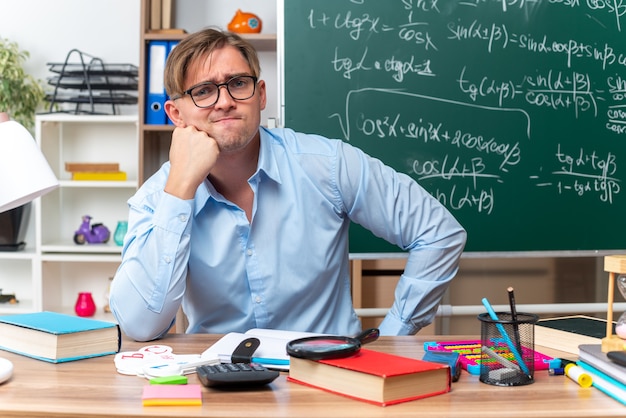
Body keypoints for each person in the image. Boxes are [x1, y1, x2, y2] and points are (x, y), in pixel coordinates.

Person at [109, 28, 466, 342]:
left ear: (260, 95)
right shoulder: (159, 199)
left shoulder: (327, 164)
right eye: (203, 91)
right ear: (175, 114)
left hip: (330, 376)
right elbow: (141, 325)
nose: (225, 101)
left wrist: (393, 336)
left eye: (238, 83)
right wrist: (181, 189)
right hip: (219, 383)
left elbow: (438, 232)